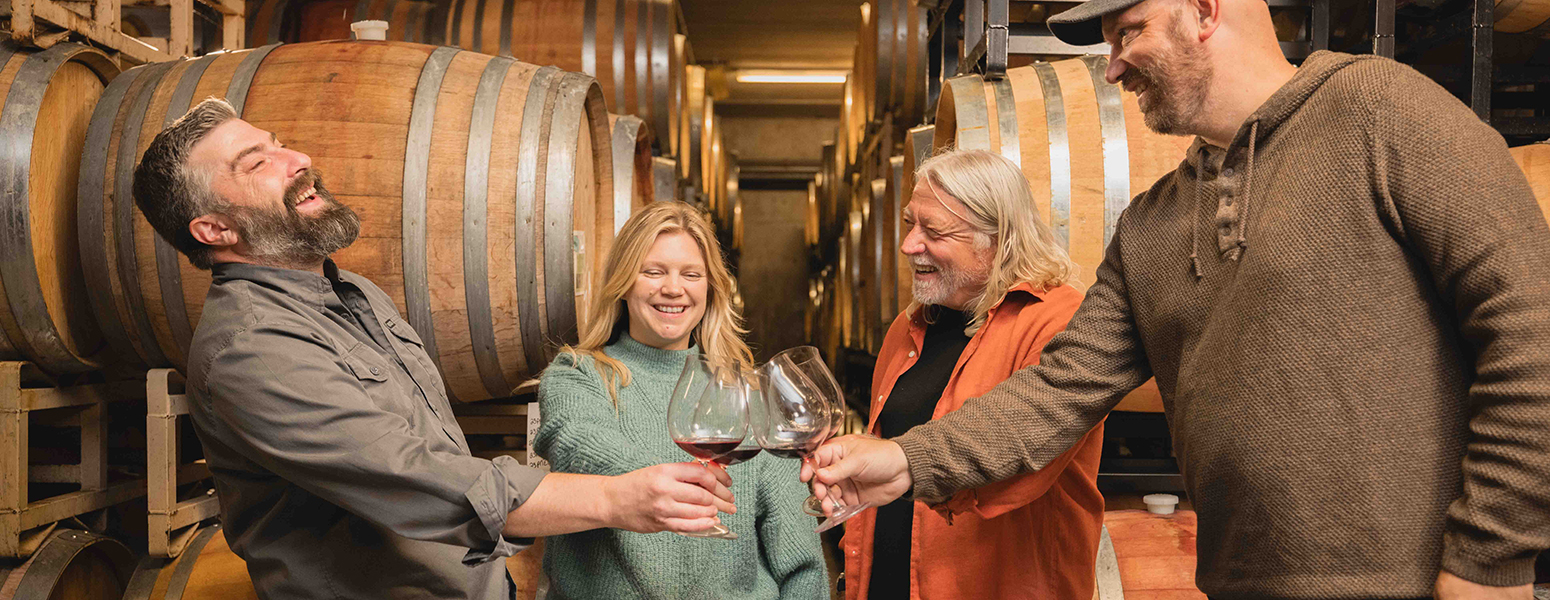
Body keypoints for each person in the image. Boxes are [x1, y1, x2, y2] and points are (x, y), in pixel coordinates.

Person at [803, 0, 1550, 598]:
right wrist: (903, 460)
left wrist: (1490, 556)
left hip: (1414, 583)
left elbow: (1531, 331)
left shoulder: (1380, 112)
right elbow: (1055, 392)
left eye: (1129, 32)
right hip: (1236, 584)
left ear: (1205, 9)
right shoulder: (1151, 224)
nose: (1112, 67)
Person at [132, 98, 738, 600]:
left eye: (280, 143)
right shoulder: (253, 349)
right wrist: (614, 497)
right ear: (214, 229)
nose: (298, 159)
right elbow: (415, 477)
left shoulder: (353, 293)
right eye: (257, 162)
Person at [533, 201, 828, 600]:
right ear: (623, 282)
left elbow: (801, 562)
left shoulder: (748, 392)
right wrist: (672, 487)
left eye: (691, 274)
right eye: (653, 271)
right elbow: (580, 447)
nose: (673, 288)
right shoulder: (577, 375)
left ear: (710, 288)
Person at [842, 148, 1103, 600]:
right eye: (909, 223)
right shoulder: (909, 325)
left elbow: (1017, 454)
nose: (909, 245)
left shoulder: (1056, 320)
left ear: (998, 238)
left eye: (934, 231)